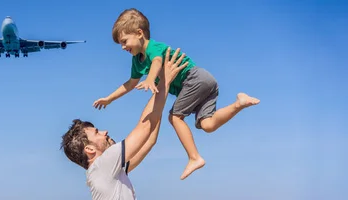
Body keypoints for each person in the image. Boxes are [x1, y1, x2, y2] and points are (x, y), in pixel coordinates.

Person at [92, 8, 261, 180]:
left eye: (124, 41)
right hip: (204, 82)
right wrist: (109, 99)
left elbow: (158, 61)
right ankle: (239, 103)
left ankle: (194, 157)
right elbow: (130, 83)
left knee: (174, 117)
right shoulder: (137, 61)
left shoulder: (152, 48)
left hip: (193, 78)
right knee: (207, 125)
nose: (123, 47)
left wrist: (151, 79)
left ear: (139, 33)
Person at [61, 47, 188, 200]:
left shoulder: (108, 170)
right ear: (89, 149)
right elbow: (145, 127)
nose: (105, 132)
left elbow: (149, 140)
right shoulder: (103, 164)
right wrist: (164, 81)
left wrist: (161, 89)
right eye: (97, 133)